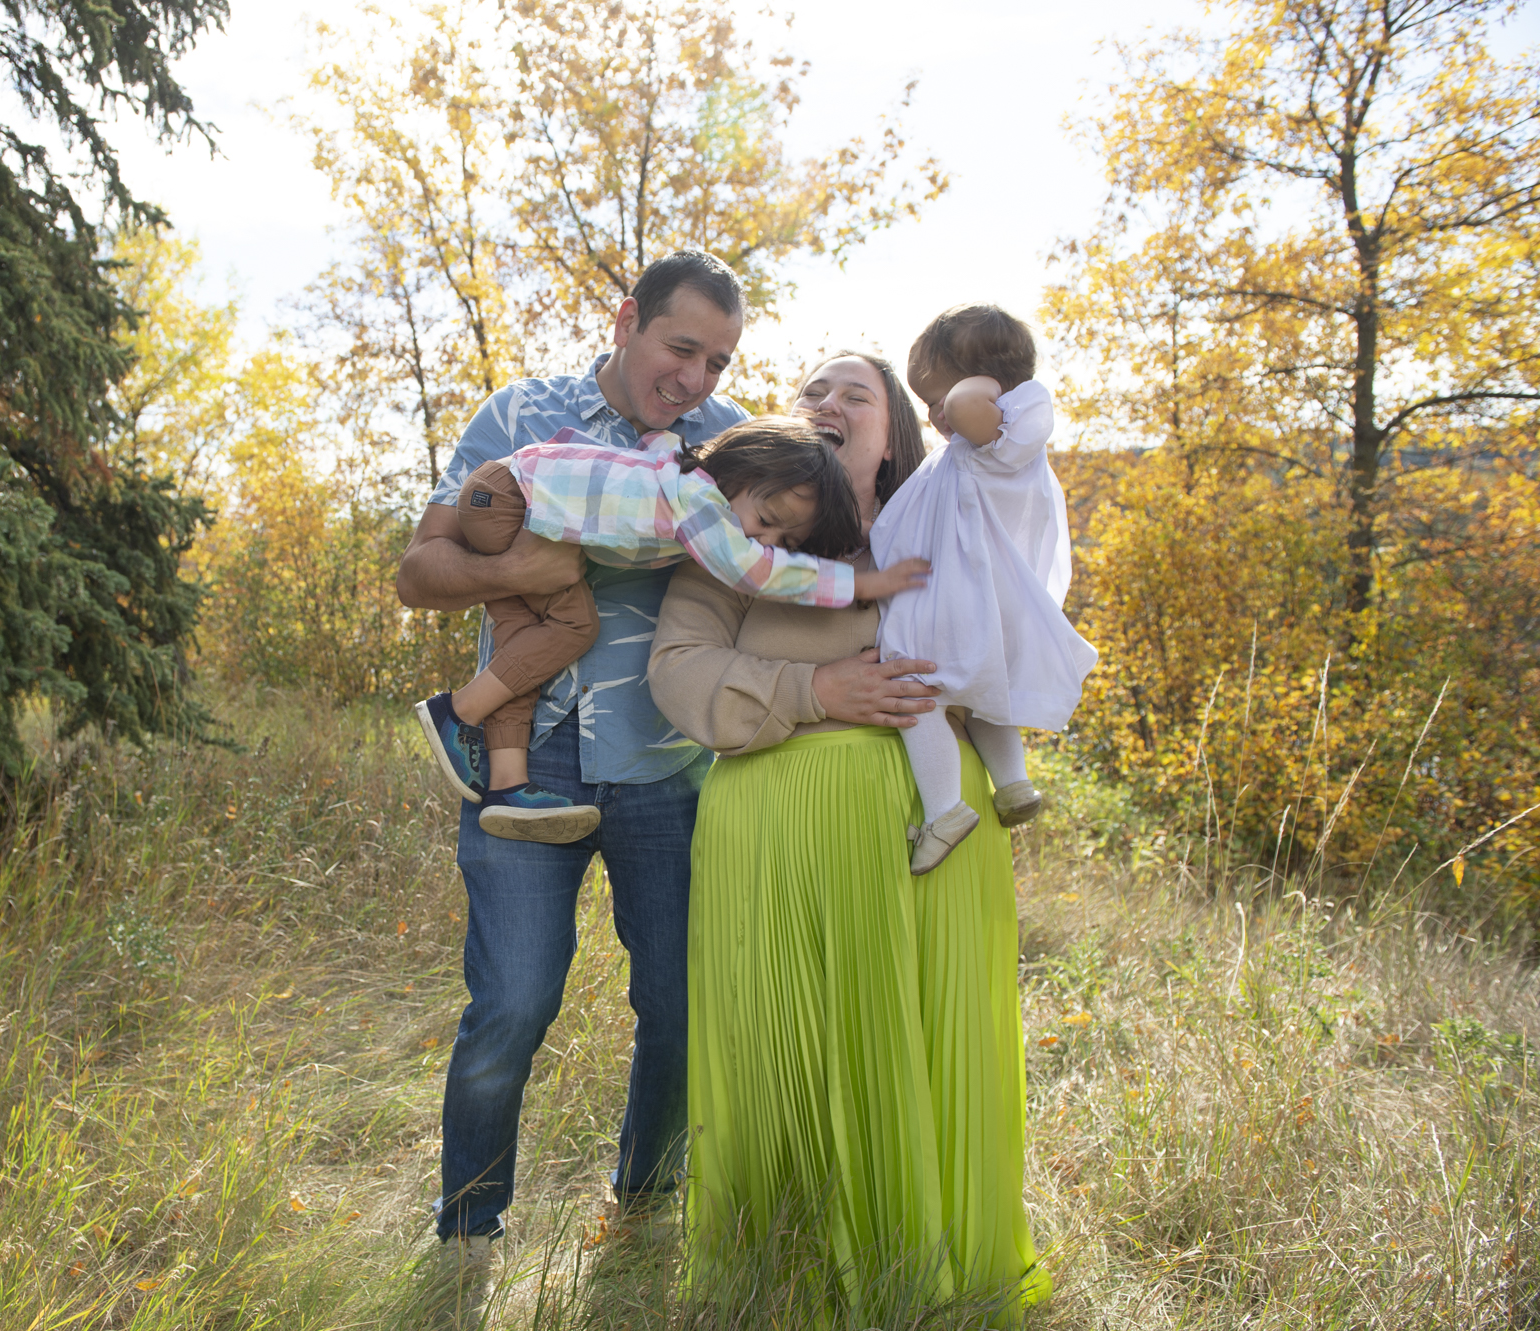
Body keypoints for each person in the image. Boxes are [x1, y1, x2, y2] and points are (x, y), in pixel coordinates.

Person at [394, 256, 940, 1287]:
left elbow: (808, 547)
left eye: (717, 358)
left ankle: (641, 1208)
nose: (693, 377)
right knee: (511, 1000)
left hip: (673, 762)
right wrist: (538, 567)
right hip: (528, 761)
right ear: (625, 320)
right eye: (679, 347)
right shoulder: (522, 414)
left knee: (682, 1005)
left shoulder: (731, 441)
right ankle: (467, 1231)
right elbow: (418, 566)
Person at [649, 351, 1051, 1323]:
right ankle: (779, 1264)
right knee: (786, 1040)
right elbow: (679, 669)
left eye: (852, 392)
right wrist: (815, 689)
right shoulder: (738, 531)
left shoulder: (953, 517)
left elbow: (1017, 565)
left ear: (892, 428)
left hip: (937, 830)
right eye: (810, 390)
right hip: (777, 826)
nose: (825, 402)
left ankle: (942, 1265)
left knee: (930, 1027)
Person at [415, 417, 931, 844]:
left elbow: (647, 448)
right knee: (573, 627)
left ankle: (507, 785)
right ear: (738, 470)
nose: (764, 538)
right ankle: (456, 712)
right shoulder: (701, 503)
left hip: (503, 490)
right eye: (767, 517)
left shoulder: (676, 466)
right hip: (510, 500)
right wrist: (861, 580)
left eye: (783, 536)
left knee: (524, 638)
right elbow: (751, 569)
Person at [870, 305, 1099, 873]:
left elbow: (972, 402)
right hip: (984, 601)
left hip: (965, 598)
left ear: (987, 381)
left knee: (913, 682)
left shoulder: (1010, 430)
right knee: (985, 693)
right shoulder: (984, 443)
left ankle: (945, 809)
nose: (935, 416)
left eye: (937, 398)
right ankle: (1013, 784)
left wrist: (976, 384)